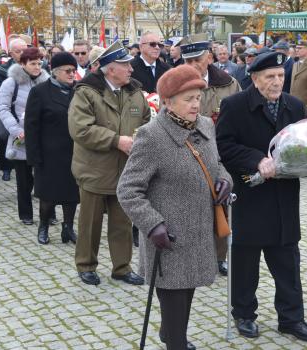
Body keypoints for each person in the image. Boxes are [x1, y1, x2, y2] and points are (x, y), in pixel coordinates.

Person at [216, 52, 307, 342]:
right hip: (249, 198)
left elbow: (303, 151)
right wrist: (257, 159)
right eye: (270, 76)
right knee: (245, 264)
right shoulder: (234, 105)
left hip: (284, 201)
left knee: (288, 265)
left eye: (280, 76)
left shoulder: (294, 106)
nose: (276, 82)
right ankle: (244, 314)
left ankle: (292, 319)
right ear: (255, 79)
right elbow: (223, 146)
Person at [117, 64, 232, 350]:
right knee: (174, 295)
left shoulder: (206, 125)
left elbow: (216, 164)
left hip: (199, 232)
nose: (196, 104)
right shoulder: (151, 136)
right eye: (188, 99)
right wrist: (152, 223)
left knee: (188, 290)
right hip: (168, 237)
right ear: (167, 102)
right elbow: (128, 189)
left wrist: (226, 181)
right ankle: (175, 341)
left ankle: (171, 332)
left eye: (198, 97)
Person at [68, 40, 151, 286]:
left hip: (126, 169)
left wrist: (141, 138)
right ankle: (86, 265)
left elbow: (146, 119)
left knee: (122, 223)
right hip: (94, 168)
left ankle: (122, 267)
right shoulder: (86, 92)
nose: (131, 69)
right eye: (125, 65)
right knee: (90, 223)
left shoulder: (135, 91)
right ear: (110, 68)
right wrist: (116, 141)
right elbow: (80, 130)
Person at [181, 35, 240, 275]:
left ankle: (218, 256)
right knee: (188, 206)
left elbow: (239, 115)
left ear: (209, 57)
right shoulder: (175, 83)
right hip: (186, 153)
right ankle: (190, 253)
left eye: (199, 59)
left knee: (221, 205)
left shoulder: (228, 83)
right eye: (190, 60)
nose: (195, 64)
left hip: (220, 153)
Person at [25, 52, 79, 245]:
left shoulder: (78, 91)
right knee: (48, 195)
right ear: (56, 72)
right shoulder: (40, 92)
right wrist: (33, 156)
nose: (72, 74)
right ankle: (44, 226)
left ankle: (68, 228)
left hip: (74, 153)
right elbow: (31, 127)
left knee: (72, 194)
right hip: (49, 154)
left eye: (74, 70)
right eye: (68, 71)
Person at [0, 47, 50, 226]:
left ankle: (48, 213)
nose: (37, 67)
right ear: (22, 64)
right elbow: (3, 109)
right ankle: (26, 214)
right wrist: (16, 130)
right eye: (33, 63)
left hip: (43, 137)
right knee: (24, 180)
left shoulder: (47, 81)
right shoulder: (11, 83)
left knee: (45, 178)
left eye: (39, 63)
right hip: (21, 136)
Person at [0, 38, 28, 182]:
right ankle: (6, 168)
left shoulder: (38, 67)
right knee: (3, 136)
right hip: (10, 109)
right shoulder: (1, 70)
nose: (22, 54)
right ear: (11, 53)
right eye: (18, 51)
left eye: (25, 50)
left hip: (29, 112)